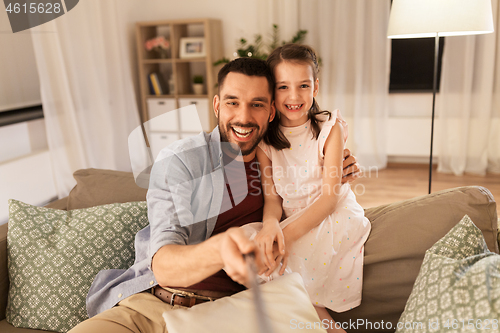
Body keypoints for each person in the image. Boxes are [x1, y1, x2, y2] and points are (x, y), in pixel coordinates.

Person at [68, 57, 361, 333]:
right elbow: (164, 264)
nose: (243, 117)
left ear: (272, 110)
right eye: (233, 103)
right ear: (217, 105)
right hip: (154, 304)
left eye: (256, 104)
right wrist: (222, 249)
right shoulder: (182, 160)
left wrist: (336, 169)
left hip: (233, 311)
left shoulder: (286, 163)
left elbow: (326, 197)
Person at [241, 44, 371, 333]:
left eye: (303, 85)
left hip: (330, 214)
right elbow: (272, 199)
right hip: (291, 217)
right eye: (283, 87)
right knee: (248, 245)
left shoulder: (329, 129)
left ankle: (327, 325)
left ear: (316, 87)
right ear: (272, 92)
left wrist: (281, 238)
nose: (294, 96)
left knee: (283, 260)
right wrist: (270, 227)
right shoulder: (266, 142)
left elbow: (328, 198)